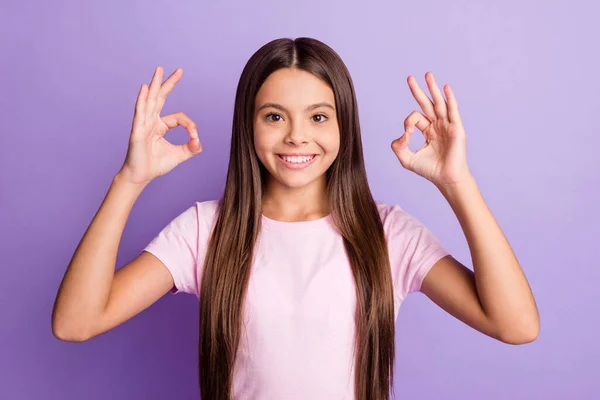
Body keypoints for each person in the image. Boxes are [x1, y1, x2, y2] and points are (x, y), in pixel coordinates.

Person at [51, 37, 539, 400]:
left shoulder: (389, 233)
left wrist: (458, 184)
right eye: (274, 116)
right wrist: (129, 181)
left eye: (319, 117)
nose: (297, 137)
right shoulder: (205, 230)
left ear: (345, 126)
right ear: (250, 125)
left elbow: (515, 324)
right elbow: (76, 323)